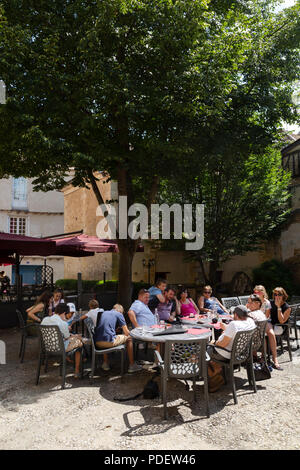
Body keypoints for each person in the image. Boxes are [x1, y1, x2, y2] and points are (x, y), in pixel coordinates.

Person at [207, 305, 256, 391]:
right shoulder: (251, 321)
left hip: (226, 354)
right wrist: (226, 329)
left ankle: (215, 377)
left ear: (236, 315)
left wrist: (214, 342)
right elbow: (236, 333)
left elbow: (221, 345)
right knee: (211, 355)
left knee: (201, 353)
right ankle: (217, 369)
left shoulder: (234, 324)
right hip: (240, 353)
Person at [94, 304, 142, 373]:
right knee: (129, 338)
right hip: (109, 342)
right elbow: (126, 333)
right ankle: (132, 365)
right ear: (120, 311)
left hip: (97, 343)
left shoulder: (104, 313)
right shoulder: (119, 314)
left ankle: (105, 363)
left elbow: (104, 328)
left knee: (105, 335)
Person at [41, 303, 82, 377]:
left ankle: (70, 361)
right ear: (64, 313)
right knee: (79, 344)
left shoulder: (45, 319)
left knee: (74, 338)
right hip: (60, 348)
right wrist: (76, 337)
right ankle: (77, 370)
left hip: (47, 347)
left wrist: (72, 335)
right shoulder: (63, 323)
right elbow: (67, 337)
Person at [266, 287, 291, 370]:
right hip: (272, 325)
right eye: (275, 294)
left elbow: (282, 321)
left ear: (283, 295)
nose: (277, 296)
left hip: (281, 327)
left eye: (279, 294)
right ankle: (262, 355)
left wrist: (279, 307)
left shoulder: (287, 307)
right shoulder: (271, 303)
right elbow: (267, 315)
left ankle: (272, 357)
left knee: (266, 331)